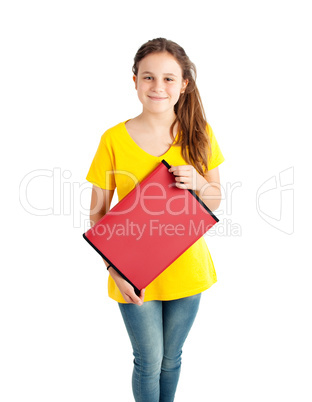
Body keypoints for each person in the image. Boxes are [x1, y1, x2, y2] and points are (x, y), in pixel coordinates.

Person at [85, 37, 225, 402]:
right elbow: (97, 213)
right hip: (132, 274)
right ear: (134, 81)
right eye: (148, 77)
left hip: (187, 270)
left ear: (184, 84)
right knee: (148, 361)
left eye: (167, 78)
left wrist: (197, 182)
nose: (157, 87)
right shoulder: (113, 139)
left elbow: (216, 198)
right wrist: (113, 269)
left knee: (171, 359)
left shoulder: (200, 133)